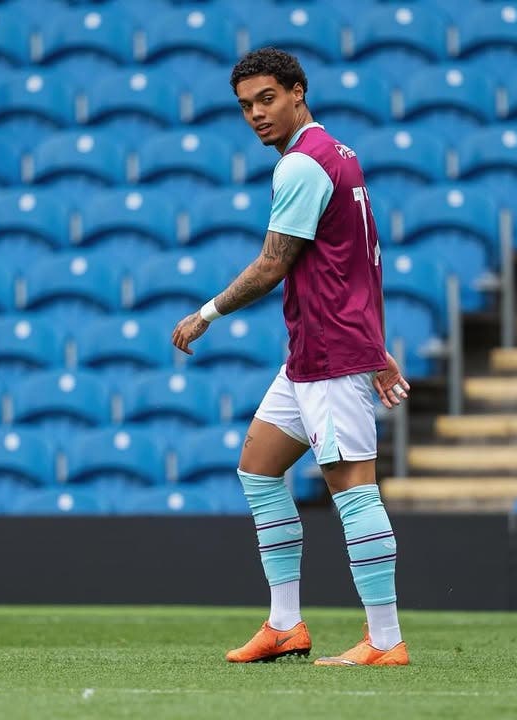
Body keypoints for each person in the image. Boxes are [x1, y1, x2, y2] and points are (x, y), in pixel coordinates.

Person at [172, 48, 411, 667]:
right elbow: (354, 262)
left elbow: (274, 264)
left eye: (267, 99)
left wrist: (206, 313)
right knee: (258, 467)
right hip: (319, 346)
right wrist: (376, 344)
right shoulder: (341, 154)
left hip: (331, 352)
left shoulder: (303, 167)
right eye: (246, 105)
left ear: (298, 92)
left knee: (352, 489)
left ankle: (385, 640)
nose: (256, 114)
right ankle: (285, 625)